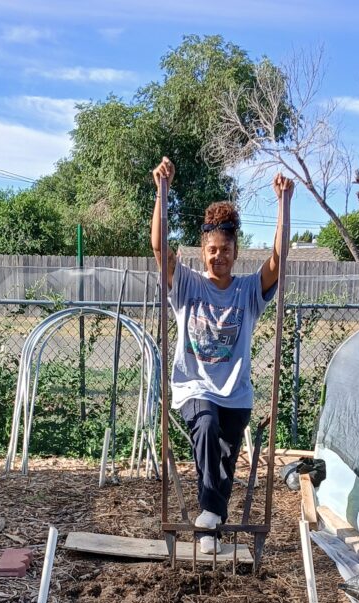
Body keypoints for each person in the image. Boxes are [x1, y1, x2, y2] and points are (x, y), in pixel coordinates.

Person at [151, 156, 294, 553]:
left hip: (237, 395)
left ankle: (210, 526)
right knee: (207, 427)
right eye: (212, 249)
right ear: (202, 251)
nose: (219, 256)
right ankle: (210, 520)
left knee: (223, 462)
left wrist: (283, 205)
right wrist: (162, 193)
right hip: (195, 388)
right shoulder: (188, 286)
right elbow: (160, 248)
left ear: (236, 250)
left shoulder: (248, 291)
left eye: (226, 249)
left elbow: (279, 261)